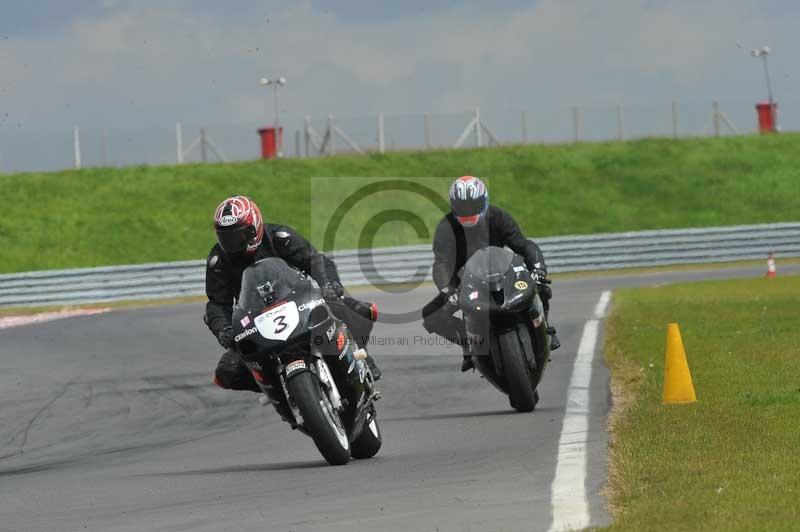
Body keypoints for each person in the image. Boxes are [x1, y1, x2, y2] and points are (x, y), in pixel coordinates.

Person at [204, 195, 381, 394]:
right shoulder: (218, 261)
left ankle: (361, 358)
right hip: (257, 320)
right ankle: (281, 388)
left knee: (350, 308)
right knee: (227, 372)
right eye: (226, 238)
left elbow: (315, 261)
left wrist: (329, 285)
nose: (232, 244)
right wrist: (223, 329)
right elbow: (217, 303)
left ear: (254, 228)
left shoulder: (280, 238)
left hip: (299, 303)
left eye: (238, 236)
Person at [422, 176, 560, 372]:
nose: (468, 211)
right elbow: (441, 263)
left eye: (473, 205)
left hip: (503, 272)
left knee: (541, 287)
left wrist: (538, 269)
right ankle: (469, 344)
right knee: (431, 315)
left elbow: (523, 245)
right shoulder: (446, 227)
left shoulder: (498, 216)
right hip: (465, 281)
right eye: (462, 207)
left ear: (484, 200)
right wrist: (448, 290)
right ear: (453, 206)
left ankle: (545, 328)